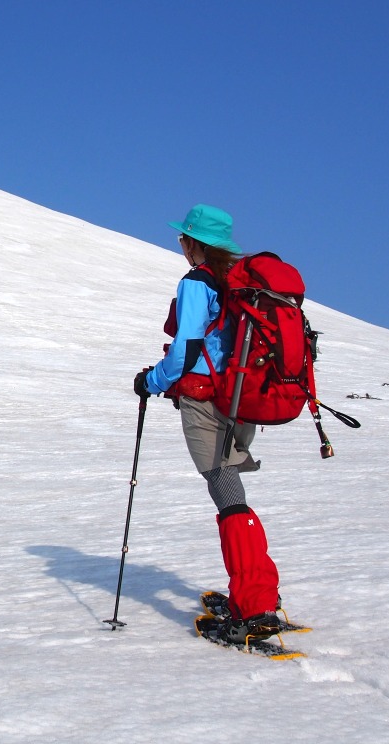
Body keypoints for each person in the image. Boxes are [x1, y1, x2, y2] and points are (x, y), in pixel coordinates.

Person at [133, 204, 282, 643]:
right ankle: (261, 592)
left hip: (205, 400)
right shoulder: (236, 283)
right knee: (230, 487)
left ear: (194, 243)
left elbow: (187, 348)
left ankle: (253, 605)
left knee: (225, 492)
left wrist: (152, 380)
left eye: (183, 238)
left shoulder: (198, 283)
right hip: (238, 398)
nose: (180, 244)